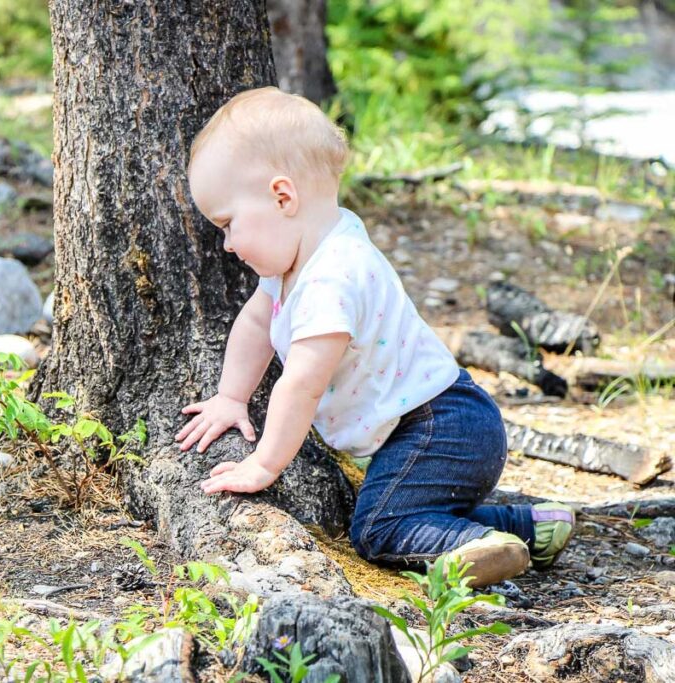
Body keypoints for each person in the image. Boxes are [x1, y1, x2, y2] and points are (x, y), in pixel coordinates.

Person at [175, 87, 574, 587]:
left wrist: (263, 465)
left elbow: (302, 383)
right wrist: (231, 397)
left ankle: (472, 547)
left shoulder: (332, 278)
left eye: (228, 225)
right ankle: (531, 528)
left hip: (440, 427)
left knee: (378, 527)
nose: (228, 245)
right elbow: (256, 324)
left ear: (283, 196)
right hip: (434, 424)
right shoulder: (301, 258)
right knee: (402, 507)